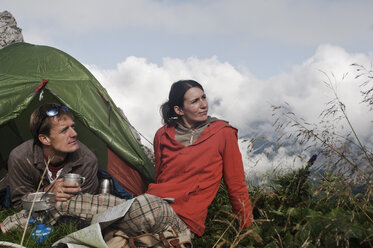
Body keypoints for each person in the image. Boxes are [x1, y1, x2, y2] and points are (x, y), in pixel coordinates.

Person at [0, 81, 252, 246]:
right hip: (147, 204)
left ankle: (18, 227)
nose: (204, 104)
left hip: (180, 217)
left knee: (140, 204)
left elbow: (236, 184)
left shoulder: (222, 133)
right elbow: (161, 178)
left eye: (204, 97)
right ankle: (7, 227)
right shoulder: (163, 135)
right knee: (73, 202)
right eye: (195, 100)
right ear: (179, 109)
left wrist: (247, 230)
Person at [2, 103, 99, 207]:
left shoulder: (87, 161)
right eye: (64, 130)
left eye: (73, 127)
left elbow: (85, 207)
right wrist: (47, 194)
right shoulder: (21, 157)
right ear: (45, 139)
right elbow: (19, 205)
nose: (74, 134)